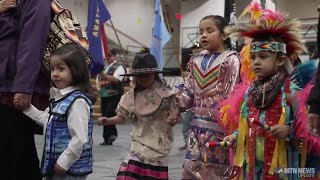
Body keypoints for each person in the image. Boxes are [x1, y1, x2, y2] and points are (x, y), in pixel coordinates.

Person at [222, 3, 319, 179]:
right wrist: (235, 136)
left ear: (281, 60)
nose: (256, 62)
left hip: (282, 168)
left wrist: (289, 130)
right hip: (253, 167)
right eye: (253, 57)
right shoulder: (251, 90)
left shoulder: (290, 91)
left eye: (263, 57)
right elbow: (248, 122)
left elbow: (308, 129)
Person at [176, 15, 240, 179]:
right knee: (191, 168)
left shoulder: (231, 59)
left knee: (215, 171)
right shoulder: (195, 60)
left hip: (219, 128)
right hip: (196, 128)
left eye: (209, 30)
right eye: (201, 31)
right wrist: (174, 107)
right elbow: (187, 91)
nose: (203, 35)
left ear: (224, 35)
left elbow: (231, 95)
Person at [98, 53, 180, 180]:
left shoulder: (167, 95)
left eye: (146, 74)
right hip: (138, 146)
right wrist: (108, 121)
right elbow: (122, 117)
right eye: (139, 75)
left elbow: (176, 115)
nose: (142, 78)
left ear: (154, 74)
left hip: (159, 148)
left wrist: (173, 118)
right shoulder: (130, 96)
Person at [22, 42, 95, 180]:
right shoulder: (59, 98)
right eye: (53, 69)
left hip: (69, 170)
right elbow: (47, 120)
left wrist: (64, 162)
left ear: (76, 70)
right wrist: (27, 108)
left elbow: (80, 138)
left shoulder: (77, 101)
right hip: (55, 166)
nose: (55, 74)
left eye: (61, 69)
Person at [0, 0, 51, 179]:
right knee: (19, 157)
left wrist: (23, 87)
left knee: (11, 156)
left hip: (12, 88)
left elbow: (33, 40)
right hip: (6, 84)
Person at [98, 49, 126, 145]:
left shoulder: (119, 66)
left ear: (114, 56)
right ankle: (107, 137)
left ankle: (112, 134)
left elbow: (116, 80)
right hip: (104, 94)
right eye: (106, 55)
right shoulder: (106, 66)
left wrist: (103, 75)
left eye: (109, 55)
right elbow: (102, 80)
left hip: (114, 94)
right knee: (104, 114)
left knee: (110, 113)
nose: (107, 57)